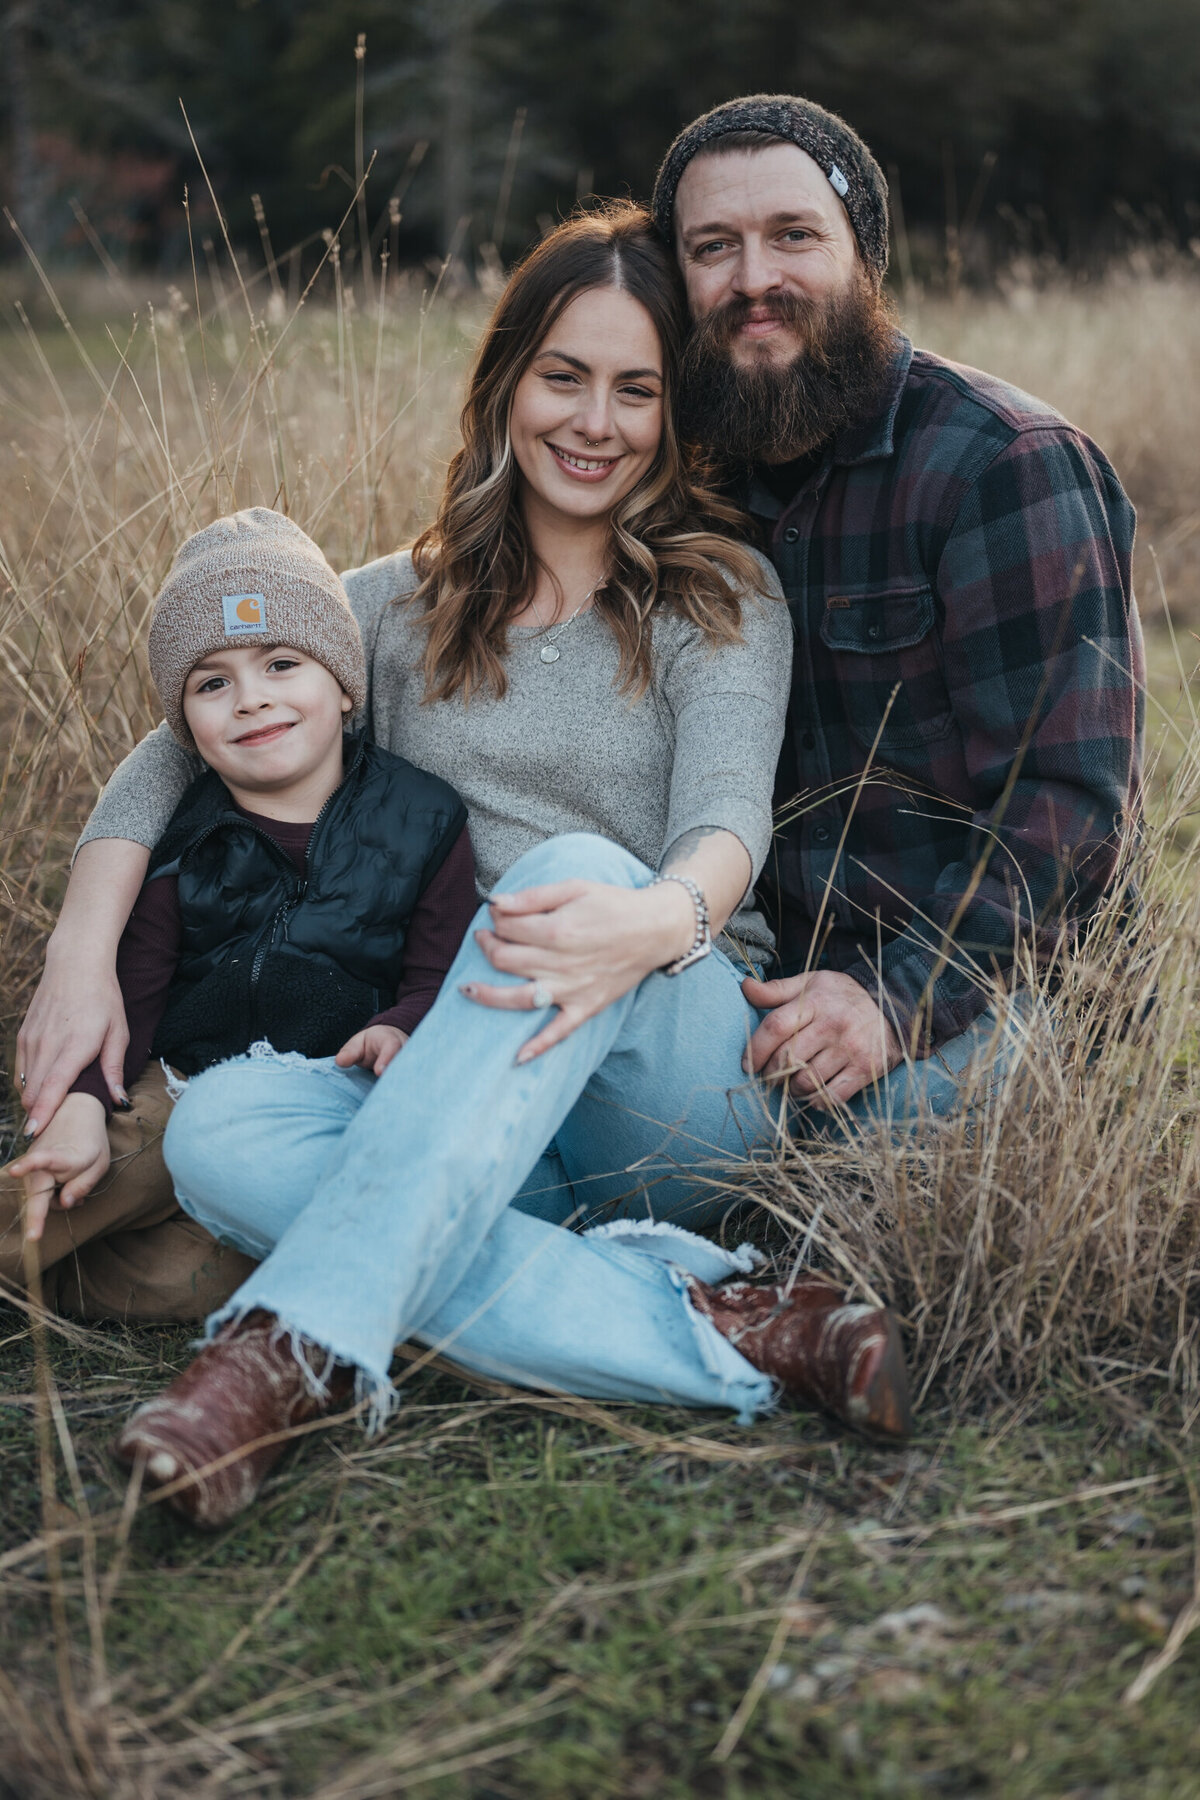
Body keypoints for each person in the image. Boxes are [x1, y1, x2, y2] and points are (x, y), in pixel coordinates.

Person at [16, 204, 912, 1526]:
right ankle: (745, 1326)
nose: (594, 421)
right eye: (564, 376)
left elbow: (726, 824)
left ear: (673, 414)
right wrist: (78, 955)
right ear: (505, 384)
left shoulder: (714, 593)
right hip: (455, 1079)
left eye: (636, 389)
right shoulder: (387, 606)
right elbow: (176, 754)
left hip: (668, 1063)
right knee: (221, 1131)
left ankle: (286, 1345)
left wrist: (654, 918)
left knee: (561, 867)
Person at [649, 94, 1143, 1113]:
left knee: (886, 1165)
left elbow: (1070, 814)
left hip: (993, 987)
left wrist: (892, 1003)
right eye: (713, 248)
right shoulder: (677, 484)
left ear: (864, 256)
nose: (755, 281)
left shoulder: (1002, 465)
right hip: (767, 990)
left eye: (794, 236)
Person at [2, 510, 477, 1320]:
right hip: (184, 1085)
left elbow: (442, 972)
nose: (251, 701)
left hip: (324, 1101)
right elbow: (132, 994)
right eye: (212, 683)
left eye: (282, 664)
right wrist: (83, 1101)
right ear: (184, 722)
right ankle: (27, 1248)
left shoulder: (423, 818)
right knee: (105, 1165)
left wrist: (400, 1026)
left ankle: (54, 1288)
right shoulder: (182, 838)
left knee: (216, 1276)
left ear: (343, 683)